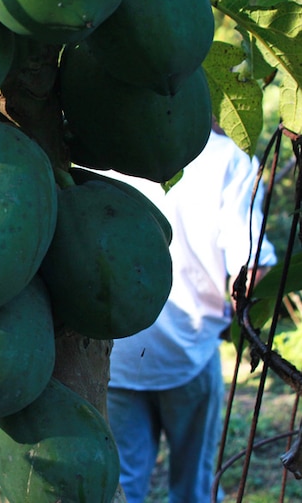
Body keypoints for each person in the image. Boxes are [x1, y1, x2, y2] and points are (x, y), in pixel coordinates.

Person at [105, 124, 277, 503]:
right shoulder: (228, 159)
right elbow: (252, 271)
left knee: (123, 485)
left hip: (116, 353)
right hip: (190, 352)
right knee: (192, 488)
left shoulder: (110, 144)